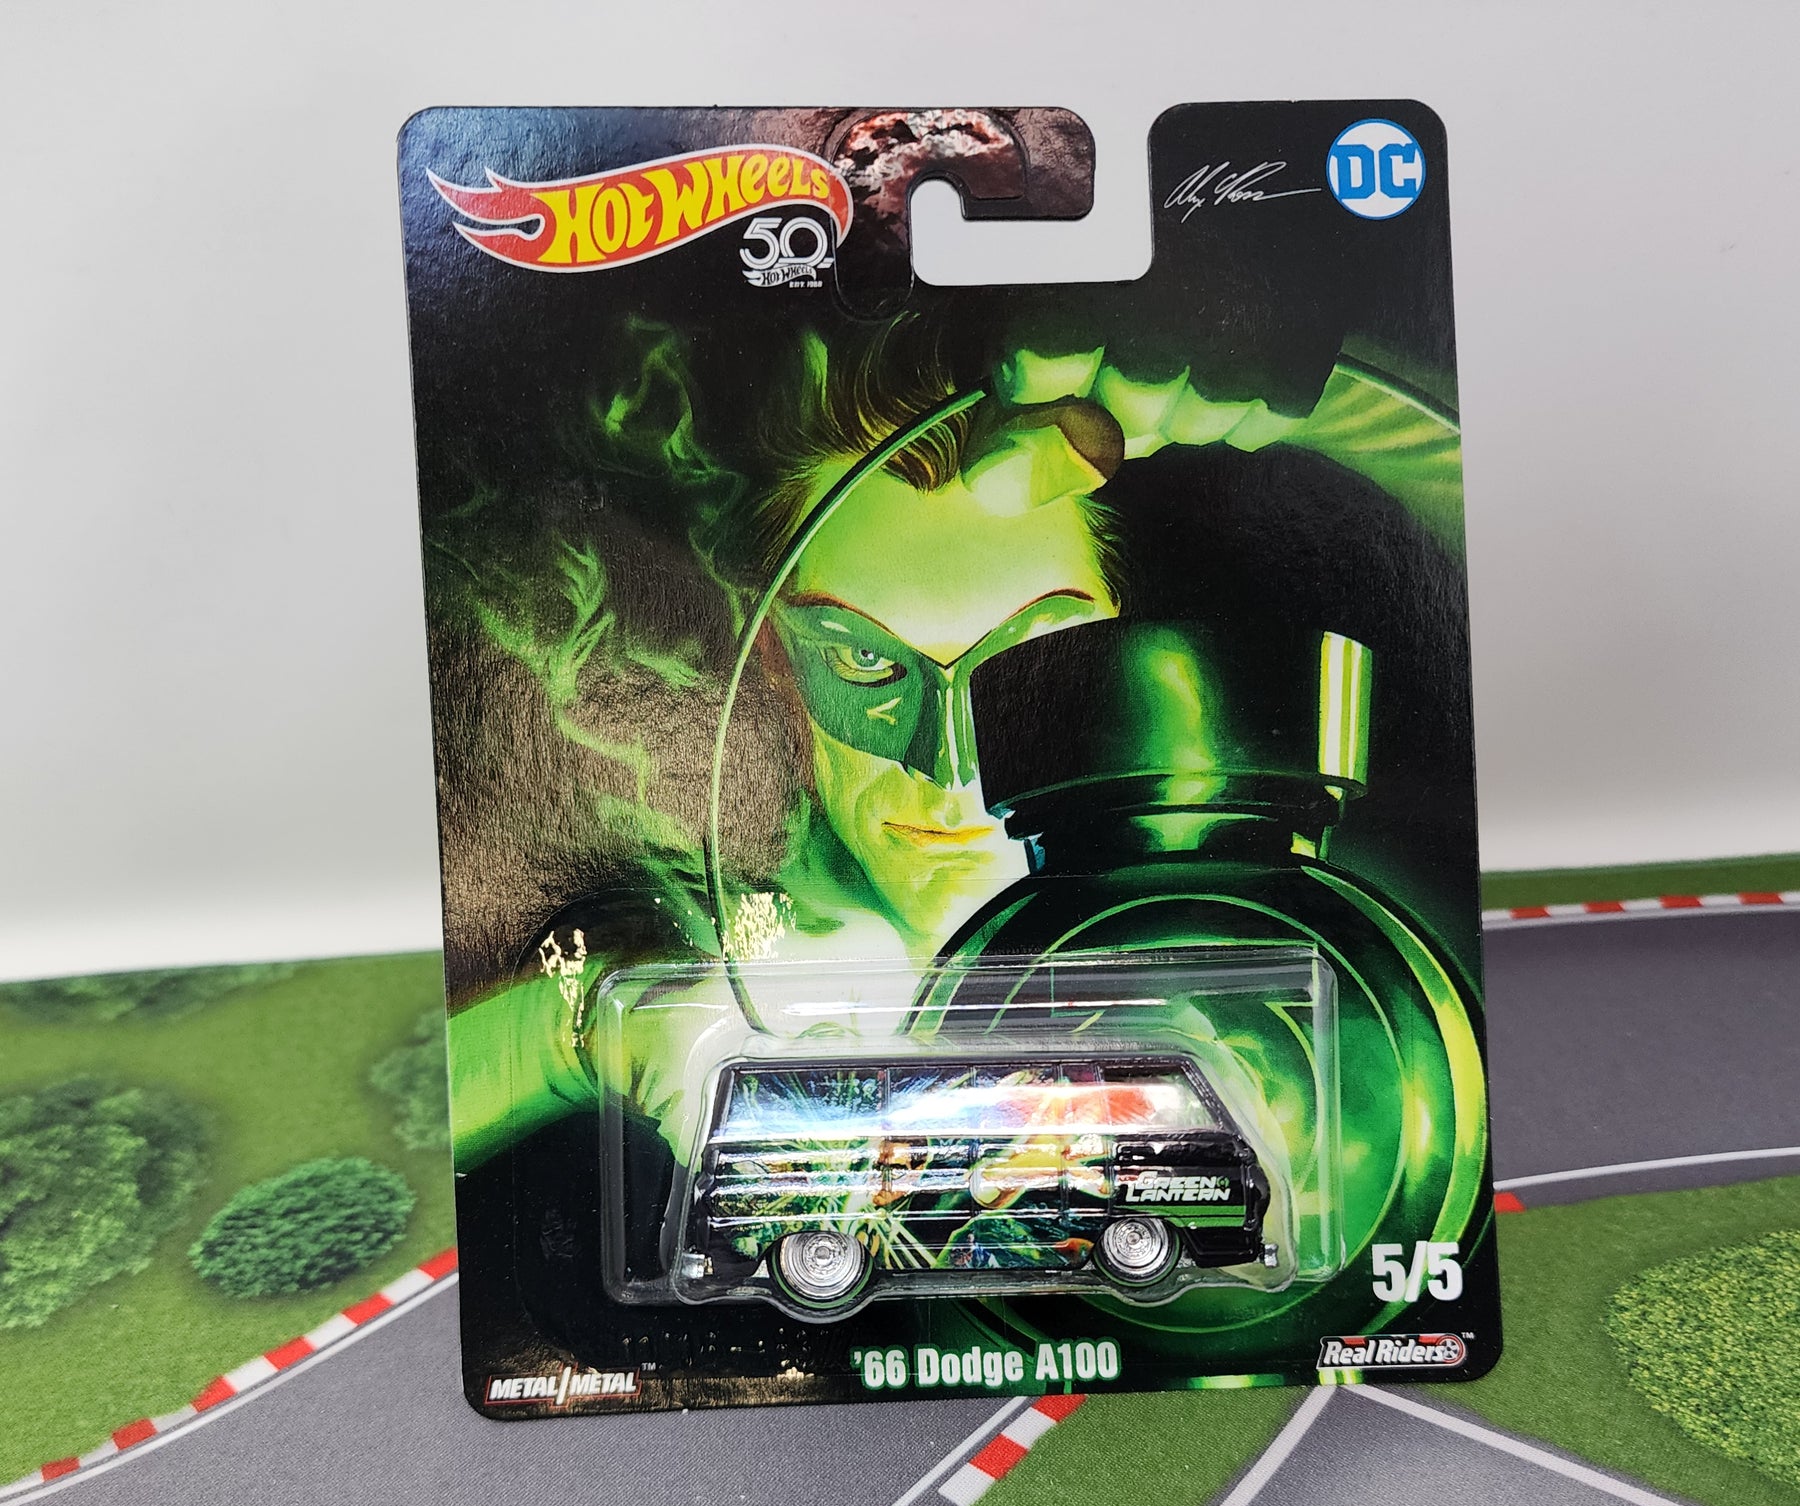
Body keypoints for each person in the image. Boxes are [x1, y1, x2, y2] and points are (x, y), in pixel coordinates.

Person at [446, 320, 1460, 1203]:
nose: (948, 769)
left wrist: (1332, 385)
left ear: (1123, 633)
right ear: (776, 665)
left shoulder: (1331, 948)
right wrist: (579, 1033)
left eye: (1027, 663)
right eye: (863, 661)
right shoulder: (734, 950)